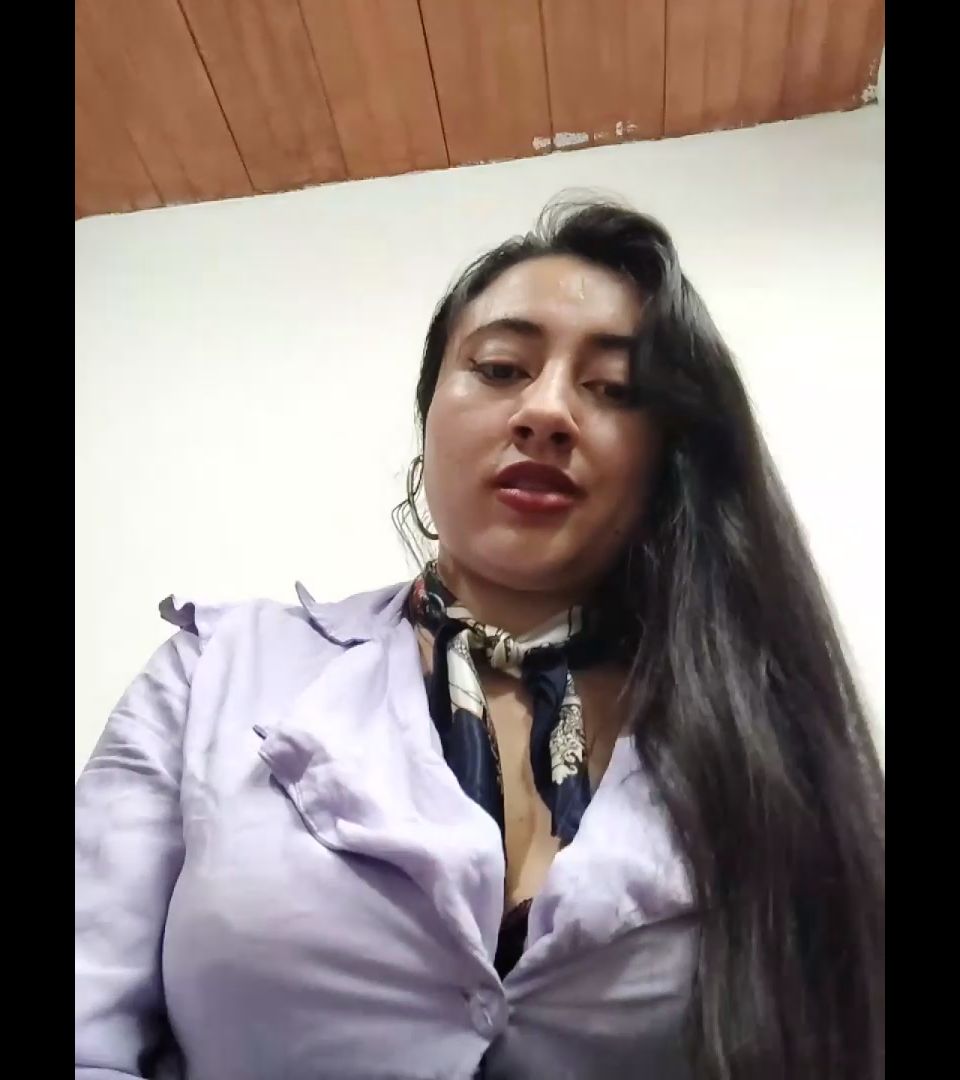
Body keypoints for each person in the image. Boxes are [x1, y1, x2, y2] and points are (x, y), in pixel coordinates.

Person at [75, 198, 884, 1080]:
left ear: (668, 458)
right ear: (428, 418)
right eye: (500, 368)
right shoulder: (214, 672)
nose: (547, 411)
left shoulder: (761, 728)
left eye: (615, 388)